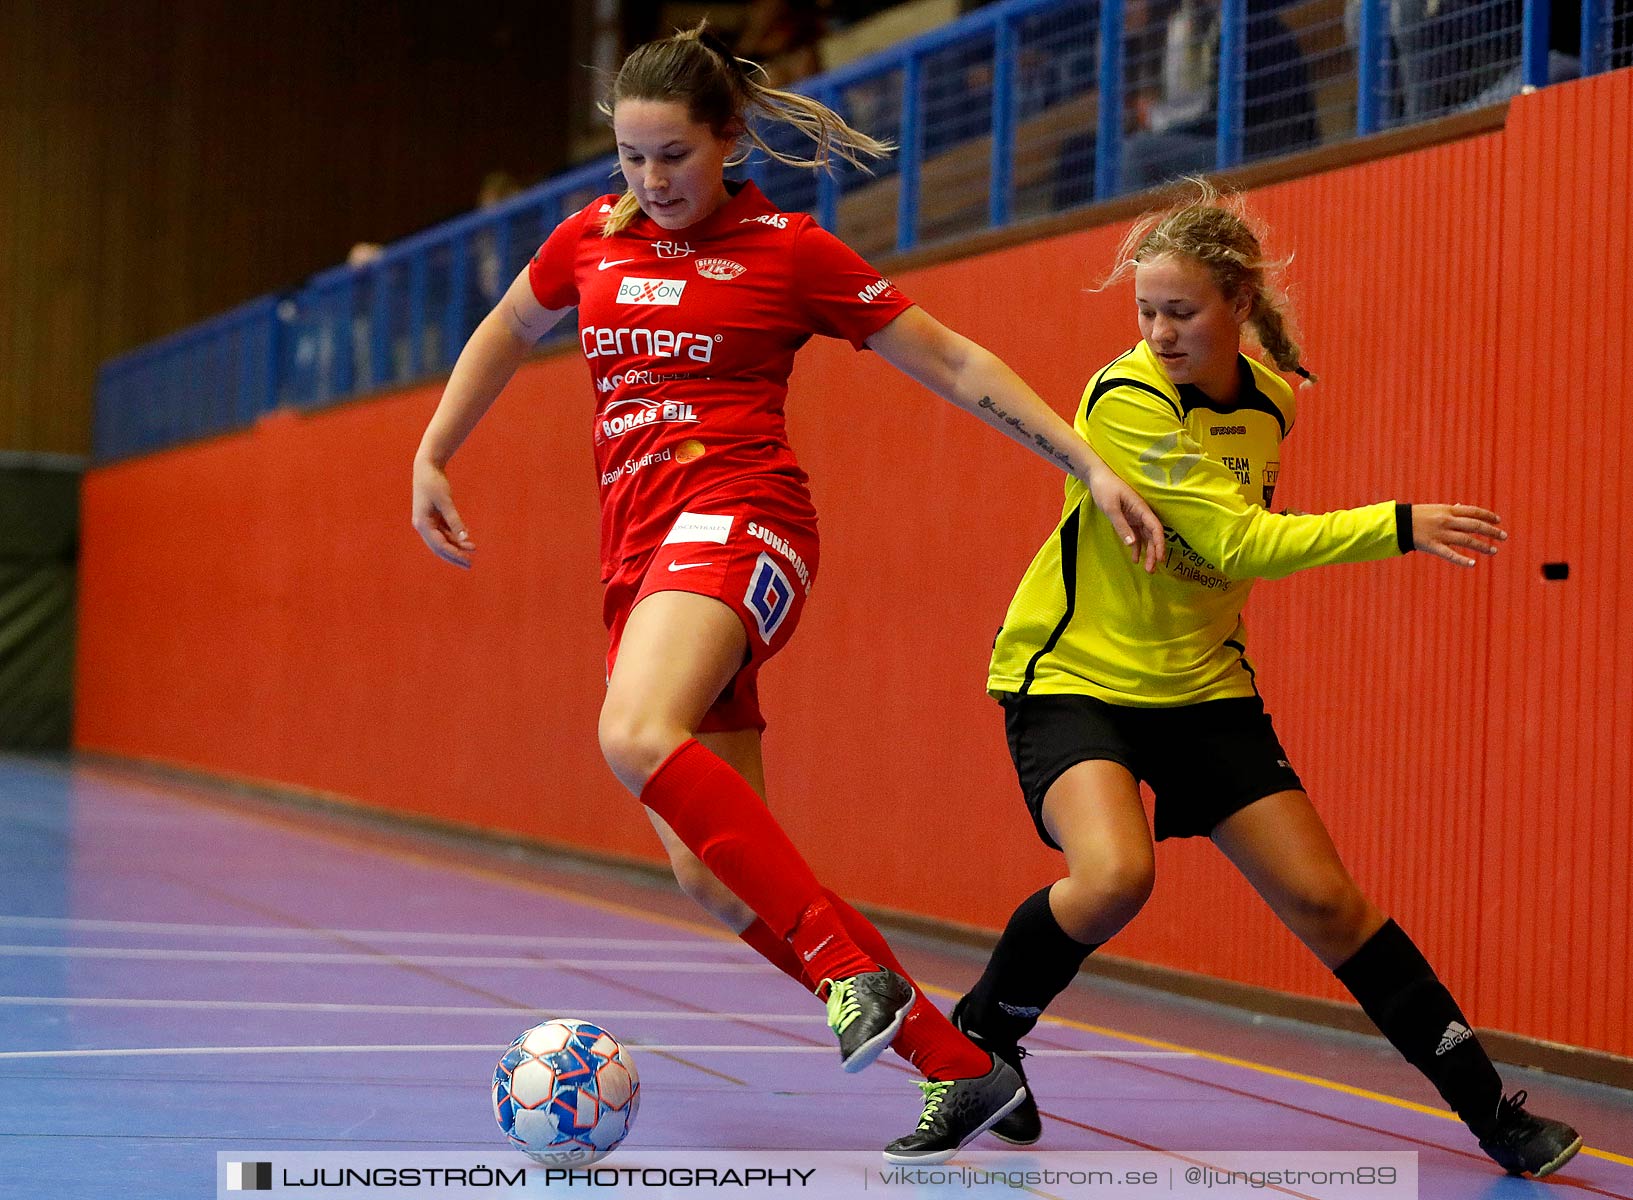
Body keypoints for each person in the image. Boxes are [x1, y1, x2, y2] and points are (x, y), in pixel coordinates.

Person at [410, 24, 1166, 1162]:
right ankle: (960, 1069)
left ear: (724, 142)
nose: (650, 182)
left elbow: (954, 361)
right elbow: (506, 330)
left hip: (744, 522)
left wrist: (1086, 461)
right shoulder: (589, 241)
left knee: (630, 731)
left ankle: (855, 971)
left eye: (671, 157)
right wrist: (432, 452)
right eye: (629, 159)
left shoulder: (786, 249)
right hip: (641, 557)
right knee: (711, 881)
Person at [951, 179, 1584, 1179]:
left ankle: (1491, 1112)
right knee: (1114, 876)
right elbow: (1243, 540)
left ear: (1236, 303)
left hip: (1203, 685)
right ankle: (981, 1035)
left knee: (1328, 904)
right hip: (1073, 677)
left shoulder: (1271, 397)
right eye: (1145, 311)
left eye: (1180, 311)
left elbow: (1234, 509)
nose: (1157, 332)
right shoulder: (1122, 401)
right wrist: (1400, 523)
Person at [1121, 0, 1319, 190]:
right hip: (1242, 145)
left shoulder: (1253, 25)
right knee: (1142, 151)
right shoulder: (1222, 26)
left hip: (1262, 153)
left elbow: (1231, 119)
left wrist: (1169, 132)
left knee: (1137, 153)